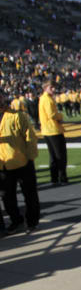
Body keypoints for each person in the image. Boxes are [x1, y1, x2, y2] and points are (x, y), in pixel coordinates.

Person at [0, 91, 40, 235]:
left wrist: (30, 157)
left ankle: (32, 222)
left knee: (30, 195)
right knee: (7, 197)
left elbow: (30, 137)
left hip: (23, 162)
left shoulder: (17, 116)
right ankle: (16, 221)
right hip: (3, 165)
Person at [39, 80, 68, 185]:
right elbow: (52, 114)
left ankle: (54, 178)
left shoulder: (44, 98)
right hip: (53, 130)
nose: (54, 89)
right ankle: (62, 178)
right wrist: (60, 116)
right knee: (60, 156)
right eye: (51, 87)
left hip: (47, 130)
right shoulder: (47, 99)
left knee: (53, 156)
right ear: (45, 88)